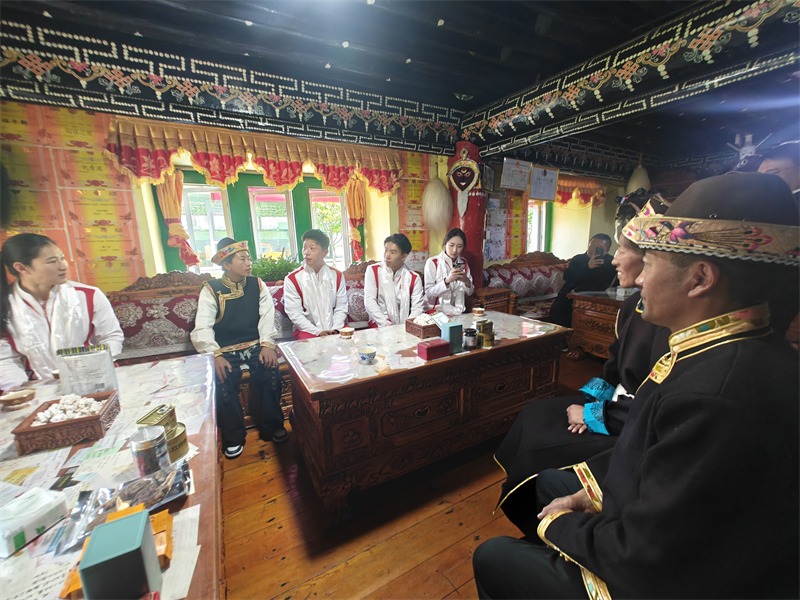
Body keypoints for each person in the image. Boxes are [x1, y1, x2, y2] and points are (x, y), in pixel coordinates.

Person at [473, 172, 799, 599]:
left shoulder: (718, 391)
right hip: (648, 495)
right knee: (544, 464)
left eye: (650, 261)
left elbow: (649, 555)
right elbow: (620, 386)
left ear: (700, 278)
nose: (640, 276)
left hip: (667, 576)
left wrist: (558, 524)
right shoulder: (708, 342)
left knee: (492, 554)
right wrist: (587, 490)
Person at [494, 198, 671, 538]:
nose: (615, 258)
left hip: (630, 424)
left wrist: (591, 416)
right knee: (534, 412)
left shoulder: (669, 320)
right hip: (613, 407)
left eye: (623, 250)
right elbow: (613, 369)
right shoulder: (632, 306)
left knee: (541, 444)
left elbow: (650, 408)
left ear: (651, 259)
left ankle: (544, 527)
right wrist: (588, 403)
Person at [191, 238, 286, 459]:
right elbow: (202, 327)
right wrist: (214, 354)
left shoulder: (257, 284)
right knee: (222, 378)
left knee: (271, 371)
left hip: (256, 344)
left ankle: (272, 426)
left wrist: (267, 344)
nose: (248, 263)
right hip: (224, 349)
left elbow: (267, 316)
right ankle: (233, 436)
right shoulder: (211, 289)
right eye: (242, 259)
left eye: (248, 258)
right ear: (226, 264)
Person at [0, 233, 123, 393]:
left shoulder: (88, 295)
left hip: (94, 380)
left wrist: (90, 370)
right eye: (52, 261)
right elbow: (6, 359)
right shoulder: (5, 305)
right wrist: (17, 391)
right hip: (38, 389)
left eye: (62, 258)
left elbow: (111, 336)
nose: (63, 265)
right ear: (22, 268)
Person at [283, 229, 348, 339]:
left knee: (350, 342)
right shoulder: (292, 279)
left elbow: (341, 307)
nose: (306, 252)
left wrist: (336, 329)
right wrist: (317, 332)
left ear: (325, 253)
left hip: (335, 328)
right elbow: (294, 313)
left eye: (312, 248)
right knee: (309, 346)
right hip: (308, 331)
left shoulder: (337, 275)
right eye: (304, 247)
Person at [547, 233, 616, 328]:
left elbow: (607, 283)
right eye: (591, 245)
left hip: (594, 300)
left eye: (598, 248)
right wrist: (588, 267)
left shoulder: (611, 262)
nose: (593, 249)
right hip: (569, 298)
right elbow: (567, 276)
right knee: (559, 315)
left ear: (607, 251)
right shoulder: (578, 259)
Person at [364, 233, 424, 327]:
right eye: (385, 250)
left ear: (404, 256)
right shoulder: (373, 270)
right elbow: (369, 301)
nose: (387, 256)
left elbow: (417, 308)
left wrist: (406, 326)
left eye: (392, 252)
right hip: (379, 324)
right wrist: (385, 323)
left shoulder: (414, 278)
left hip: (405, 325)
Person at [423, 228, 474, 315]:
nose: (454, 250)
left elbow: (469, 292)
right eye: (451, 245)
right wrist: (446, 281)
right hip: (434, 310)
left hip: (456, 310)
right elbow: (429, 294)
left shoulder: (463, 263)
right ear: (445, 243)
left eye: (459, 246)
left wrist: (466, 281)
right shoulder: (433, 262)